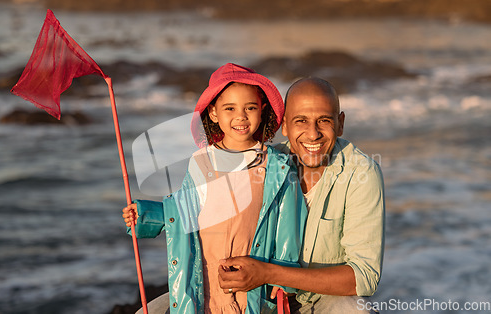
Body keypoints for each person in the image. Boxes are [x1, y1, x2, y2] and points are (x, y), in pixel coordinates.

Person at [122, 63, 307, 314]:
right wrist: (144, 214)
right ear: (213, 113)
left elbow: (288, 226)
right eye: (229, 108)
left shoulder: (277, 167)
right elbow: (183, 210)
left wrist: (282, 280)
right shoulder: (201, 162)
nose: (240, 116)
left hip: (252, 284)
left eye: (250, 108)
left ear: (262, 111)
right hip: (205, 283)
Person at [218, 77, 385, 313]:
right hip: (256, 297)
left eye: (324, 121)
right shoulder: (264, 163)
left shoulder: (362, 172)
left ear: (340, 123)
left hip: (324, 299)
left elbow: (364, 277)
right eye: (301, 121)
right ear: (284, 125)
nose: (313, 134)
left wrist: (267, 273)